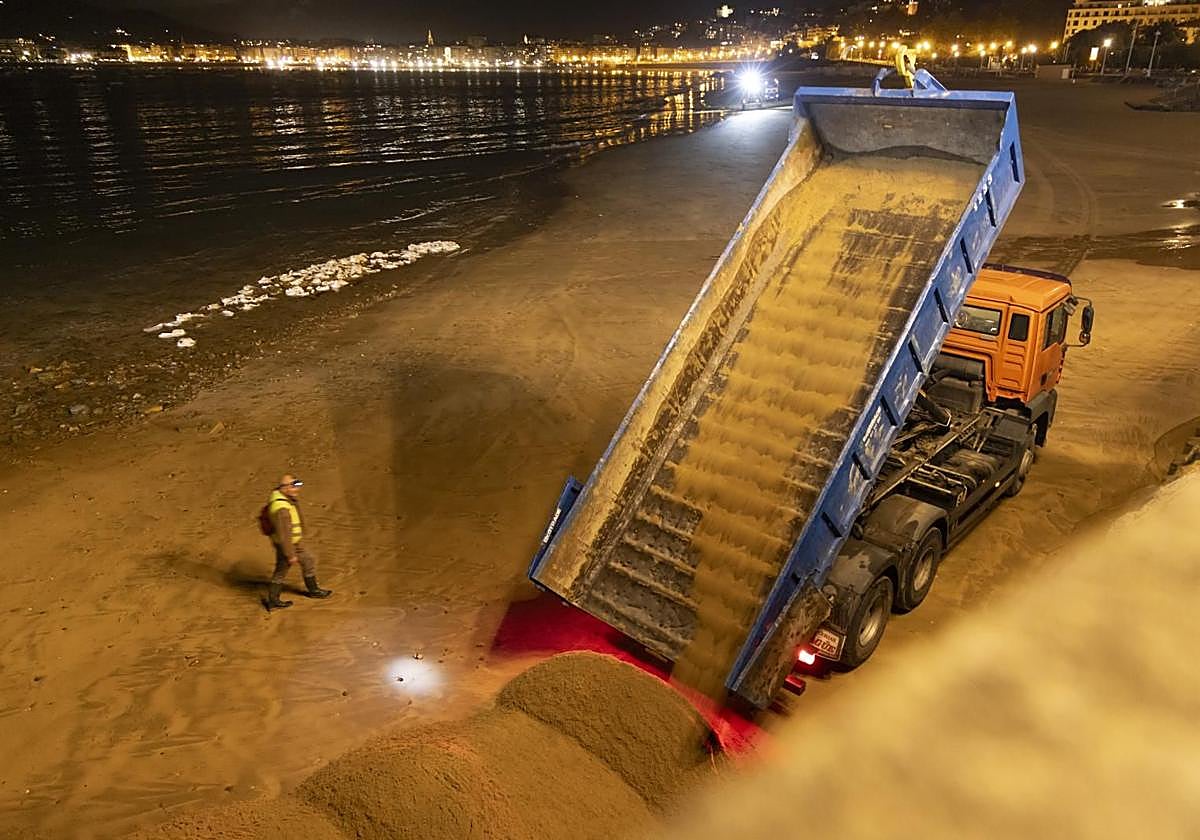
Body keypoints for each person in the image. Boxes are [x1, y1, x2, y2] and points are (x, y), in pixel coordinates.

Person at [265, 474, 332, 610]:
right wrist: (290, 554)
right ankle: (273, 600)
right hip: (287, 545)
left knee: (308, 560)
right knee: (281, 571)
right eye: (294, 486)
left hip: (294, 543)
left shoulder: (286, 499)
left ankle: (314, 590)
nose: (297, 489)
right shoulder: (282, 508)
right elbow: (284, 534)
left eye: (297, 485)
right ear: (285, 488)